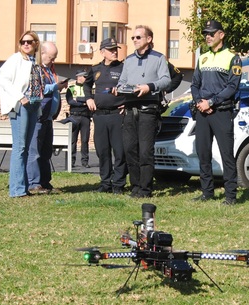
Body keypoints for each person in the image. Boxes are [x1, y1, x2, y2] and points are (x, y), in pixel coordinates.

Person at [190, 20, 242, 205]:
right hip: (202, 112)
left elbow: (232, 87)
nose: (208, 36)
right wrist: (199, 102)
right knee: (203, 153)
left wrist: (211, 102)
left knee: (226, 154)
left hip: (221, 112)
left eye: (212, 33)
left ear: (222, 34)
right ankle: (207, 192)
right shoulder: (202, 57)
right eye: (206, 33)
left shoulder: (232, 58)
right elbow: (195, 84)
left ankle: (230, 196)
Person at [118, 25, 171, 198]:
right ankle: (135, 187)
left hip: (148, 110)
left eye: (138, 37)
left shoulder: (159, 58)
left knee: (145, 151)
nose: (134, 40)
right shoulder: (129, 60)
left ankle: (146, 189)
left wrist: (149, 87)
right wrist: (119, 89)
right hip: (129, 110)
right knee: (130, 149)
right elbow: (122, 81)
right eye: (133, 38)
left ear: (148, 39)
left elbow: (166, 80)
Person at [0, 31, 43, 198]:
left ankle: (22, 187)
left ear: (36, 44)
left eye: (29, 42)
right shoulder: (16, 59)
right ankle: (16, 190)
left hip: (33, 105)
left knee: (26, 147)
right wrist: (20, 97)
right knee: (20, 147)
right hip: (20, 106)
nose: (26, 44)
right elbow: (3, 78)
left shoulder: (35, 62)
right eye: (23, 42)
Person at [84, 38, 127, 194]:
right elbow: (86, 85)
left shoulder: (124, 68)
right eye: (111, 50)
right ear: (102, 52)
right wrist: (88, 98)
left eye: (116, 49)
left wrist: (127, 102)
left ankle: (118, 184)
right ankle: (105, 183)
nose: (115, 52)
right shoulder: (95, 69)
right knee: (103, 151)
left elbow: (131, 87)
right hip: (100, 116)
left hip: (117, 115)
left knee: (120, 152)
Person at [27, 41, 68, 194]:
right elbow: (39, 88)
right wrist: (56, 87)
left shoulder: (49, 70)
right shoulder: (36, 69)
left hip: (47, 118)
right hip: (38, 117)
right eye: (51, 57)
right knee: (35, 152)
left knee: (45, 152)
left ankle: (45, 182)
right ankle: (34, 183)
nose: (53, 61)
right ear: (42, 54)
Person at [65, 70, 92, 168]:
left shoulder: (88, 89)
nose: (86, 79)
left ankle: (85, 161)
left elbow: (92, 99)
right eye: (84, 77)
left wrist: (79, 100)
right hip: (74, 116)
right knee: (73, 140)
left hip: (85, 116)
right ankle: (71, 161)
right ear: (79, 77)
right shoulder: (71, 88)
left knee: (85, 140)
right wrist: (84, 102)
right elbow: (70, 101)